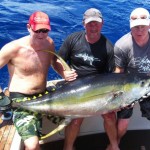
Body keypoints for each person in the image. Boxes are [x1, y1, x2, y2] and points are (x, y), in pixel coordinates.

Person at [0, 11, 76, 150]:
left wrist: (64, 73)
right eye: (38, 30)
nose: (41, 35)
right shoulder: (13, 49)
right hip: (22, 101)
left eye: (45, 30)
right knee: (33, 145)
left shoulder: (49, 43)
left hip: (45, 96)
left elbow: (54, 61)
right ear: (29, 27)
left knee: (75, 117)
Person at [58, 8, 119, 150]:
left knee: (110, 116)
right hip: (74, 88)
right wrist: (63, 74)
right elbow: (56, 61)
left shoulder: (108, 47)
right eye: (90, 23)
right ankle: (68, 147)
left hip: (98, 89)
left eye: (96, 23)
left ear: (102, 24)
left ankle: (114, 146)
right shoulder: (73, 39)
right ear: (83, 24)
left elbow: (111, 76)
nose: (93, 27)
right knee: (75, 120)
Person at [114, 7, 150, 145]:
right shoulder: (122, 45)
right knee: (122, 124)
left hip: (147, 86)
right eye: (136, 27)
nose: (139, 30)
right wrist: (119, 98)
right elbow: (119, 73)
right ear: (130, 26)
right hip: (129, 88)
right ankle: (115, 144)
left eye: (143, 26)